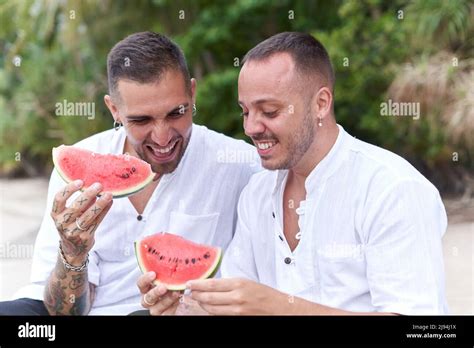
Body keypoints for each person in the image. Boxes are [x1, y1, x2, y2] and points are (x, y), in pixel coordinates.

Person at [186, 32, 449, 315]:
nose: (250, 127)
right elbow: (235, 305)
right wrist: (180, 307)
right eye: (245, 111)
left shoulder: (392, 188)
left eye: (270, 111)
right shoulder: (256, 193)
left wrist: (277, 307)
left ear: (321, 104)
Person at [0, 31, 260, 315]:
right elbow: (63, 312)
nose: (162, 137)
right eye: (141, 120)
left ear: (192, 93)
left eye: (176, 113)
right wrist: (73, 251)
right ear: (114, 109)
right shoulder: (76, 174)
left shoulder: (241, 165)